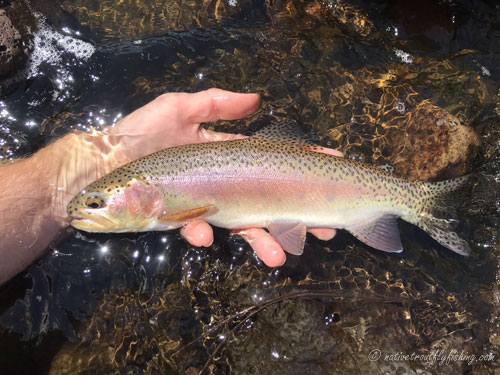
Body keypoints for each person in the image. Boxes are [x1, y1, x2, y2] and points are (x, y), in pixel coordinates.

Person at [0, 89, 338, 285]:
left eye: (95, 203)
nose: (81, 212)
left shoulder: (164, 202)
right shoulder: (146, 180)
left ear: (138, 191)